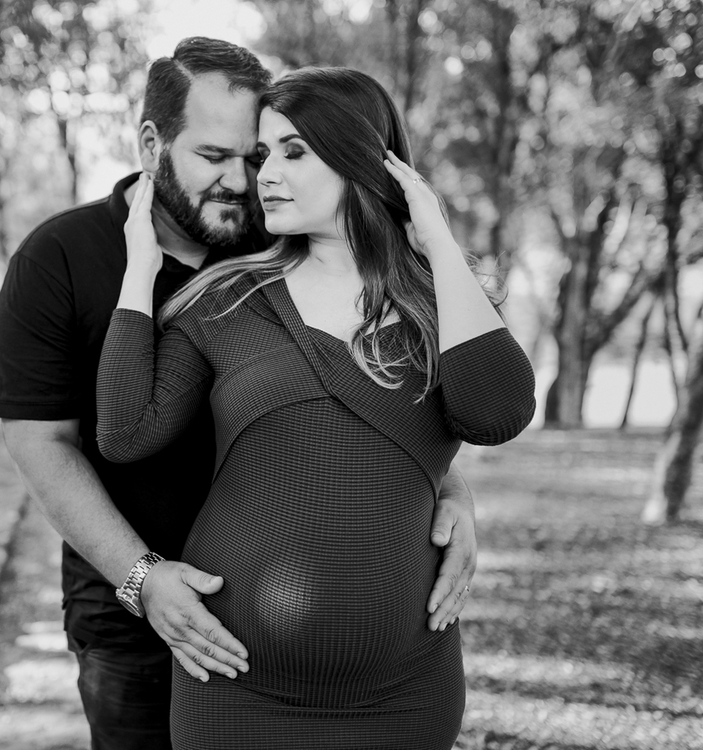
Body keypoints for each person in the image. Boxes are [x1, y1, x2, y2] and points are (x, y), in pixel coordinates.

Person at [0, 39, 481, 750]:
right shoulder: (58, 256)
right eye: (212, 158)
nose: (242, 183)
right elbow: (40, 443)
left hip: (292, 641)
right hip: (131, 611)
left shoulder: (283, 235)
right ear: (152, 142)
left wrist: (450, 493)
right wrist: (142, 579)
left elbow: (363, 391)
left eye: (255, 158)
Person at [95, 67, 536, 749]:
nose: (264, 174)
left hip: (404, 696)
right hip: (236, 692)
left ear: (361, 159)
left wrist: (437, 241)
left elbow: (497, 415)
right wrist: (138, 270)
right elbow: (126, 433)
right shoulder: (227, 298)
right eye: (264, 154)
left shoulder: (439, 305)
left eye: (293, 152)